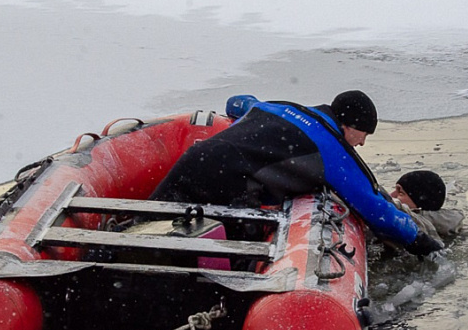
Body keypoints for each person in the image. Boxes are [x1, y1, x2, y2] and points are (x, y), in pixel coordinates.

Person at [150, 91, 442, 256]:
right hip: (229, 185)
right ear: (349, 125)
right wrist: (420, 242)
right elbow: (373, 205)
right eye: (363, 134)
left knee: (148, 229)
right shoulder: (331, 147)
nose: (362, 143)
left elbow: (237, 103)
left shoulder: (282, 107)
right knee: (223, 256)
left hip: (193, 162)